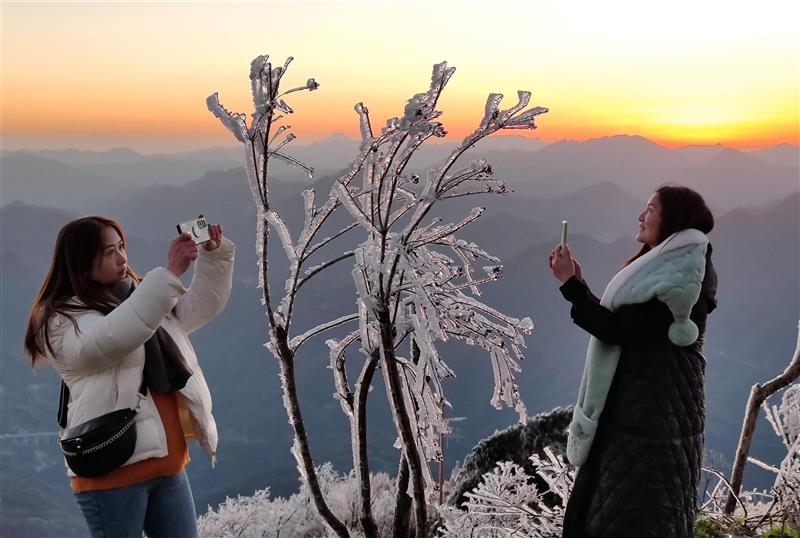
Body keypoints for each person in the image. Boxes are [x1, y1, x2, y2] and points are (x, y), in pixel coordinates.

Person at [24, 214, 235, 538]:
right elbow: (108, 341)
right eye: (109, 251)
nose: (122, 257)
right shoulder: (61, 319)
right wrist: (168, 275)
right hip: (111, 473)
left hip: (167, 465)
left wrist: (212, 256)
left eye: (121, 246)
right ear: (81, 261)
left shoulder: (137, 297)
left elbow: (196, 309)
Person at [549, 184, 717, 537]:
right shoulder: (681, 270)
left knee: (631, 514)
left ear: (672, 220)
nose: (641, 216)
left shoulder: (678, 284)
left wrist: (571, 286)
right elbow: (632, 326)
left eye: (651, 210)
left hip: (648, 423)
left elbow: (619, 330)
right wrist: (578, 285)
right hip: (651, 413)